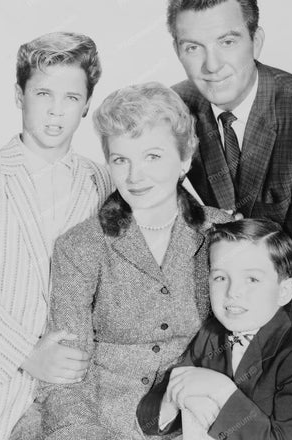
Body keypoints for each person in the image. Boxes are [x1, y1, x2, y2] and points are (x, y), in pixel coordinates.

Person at [167, 0, 292, 373]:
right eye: (193, 47)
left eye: (227, 42)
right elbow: (154, 197)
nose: (212, 66)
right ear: (177, 50)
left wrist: (249, 348)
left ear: (256, 41)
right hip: (236, 290)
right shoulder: (176, 108)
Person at [40, 82, 232, 439]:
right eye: (120, 159)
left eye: (153, 156)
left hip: (199, 418)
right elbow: (62, 380)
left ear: (185, 159)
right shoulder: (79, 247)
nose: (135, 176)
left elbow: (265, 334)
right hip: (103, 421)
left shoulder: (225, 232)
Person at [0, 31, 112, 440]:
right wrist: (26, 354)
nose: (55, 111)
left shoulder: (105, 180)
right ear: (18, 95)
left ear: (86, 106)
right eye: (43, 94)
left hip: (77, 392)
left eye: (71, 98)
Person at [137, 218, 292, 439]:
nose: (233, 291)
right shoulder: (212, 335)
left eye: (252, 279)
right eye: (220, 277)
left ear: (284, 291)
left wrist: (222, 391)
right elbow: (150, 418)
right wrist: (172, 400)